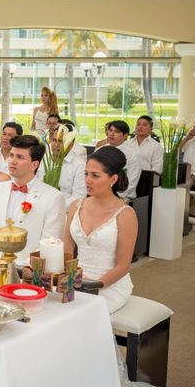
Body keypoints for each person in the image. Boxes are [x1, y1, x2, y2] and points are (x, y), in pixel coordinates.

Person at [63, 146, 136, 314]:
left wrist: (94, 285)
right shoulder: (76, 206)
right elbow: (67, 250)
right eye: (86, 174)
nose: (87, 180)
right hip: (77, 280)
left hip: (109, 285)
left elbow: (123, 266)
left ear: (113, 179)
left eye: (95, 176)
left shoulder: (125, 214)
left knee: (82, 314)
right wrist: (69, 277)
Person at [0, 135, 65, 266]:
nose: (12, 161)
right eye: (11, 155)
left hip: (27, 270)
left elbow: (49, 243)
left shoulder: (53, 197)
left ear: (34, 164)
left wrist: (25, 268)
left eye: (20, 157)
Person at [41, 127, 87, 211]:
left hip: (64, 212)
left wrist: (54, 206)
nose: (56, 145)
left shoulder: (79, 165)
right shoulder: (43, 159)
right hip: (40, 207)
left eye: (61, 141)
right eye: (54, 140)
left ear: (71, 145)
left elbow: (79, 197)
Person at [101, 120, 141, 202]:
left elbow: (131, 183)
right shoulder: (100, 150)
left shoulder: (132, 155)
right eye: (110, 130)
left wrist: (112, 196)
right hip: (100, 193)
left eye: (117, 131)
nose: (112, 134)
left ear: (125, 136)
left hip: (123, 196)